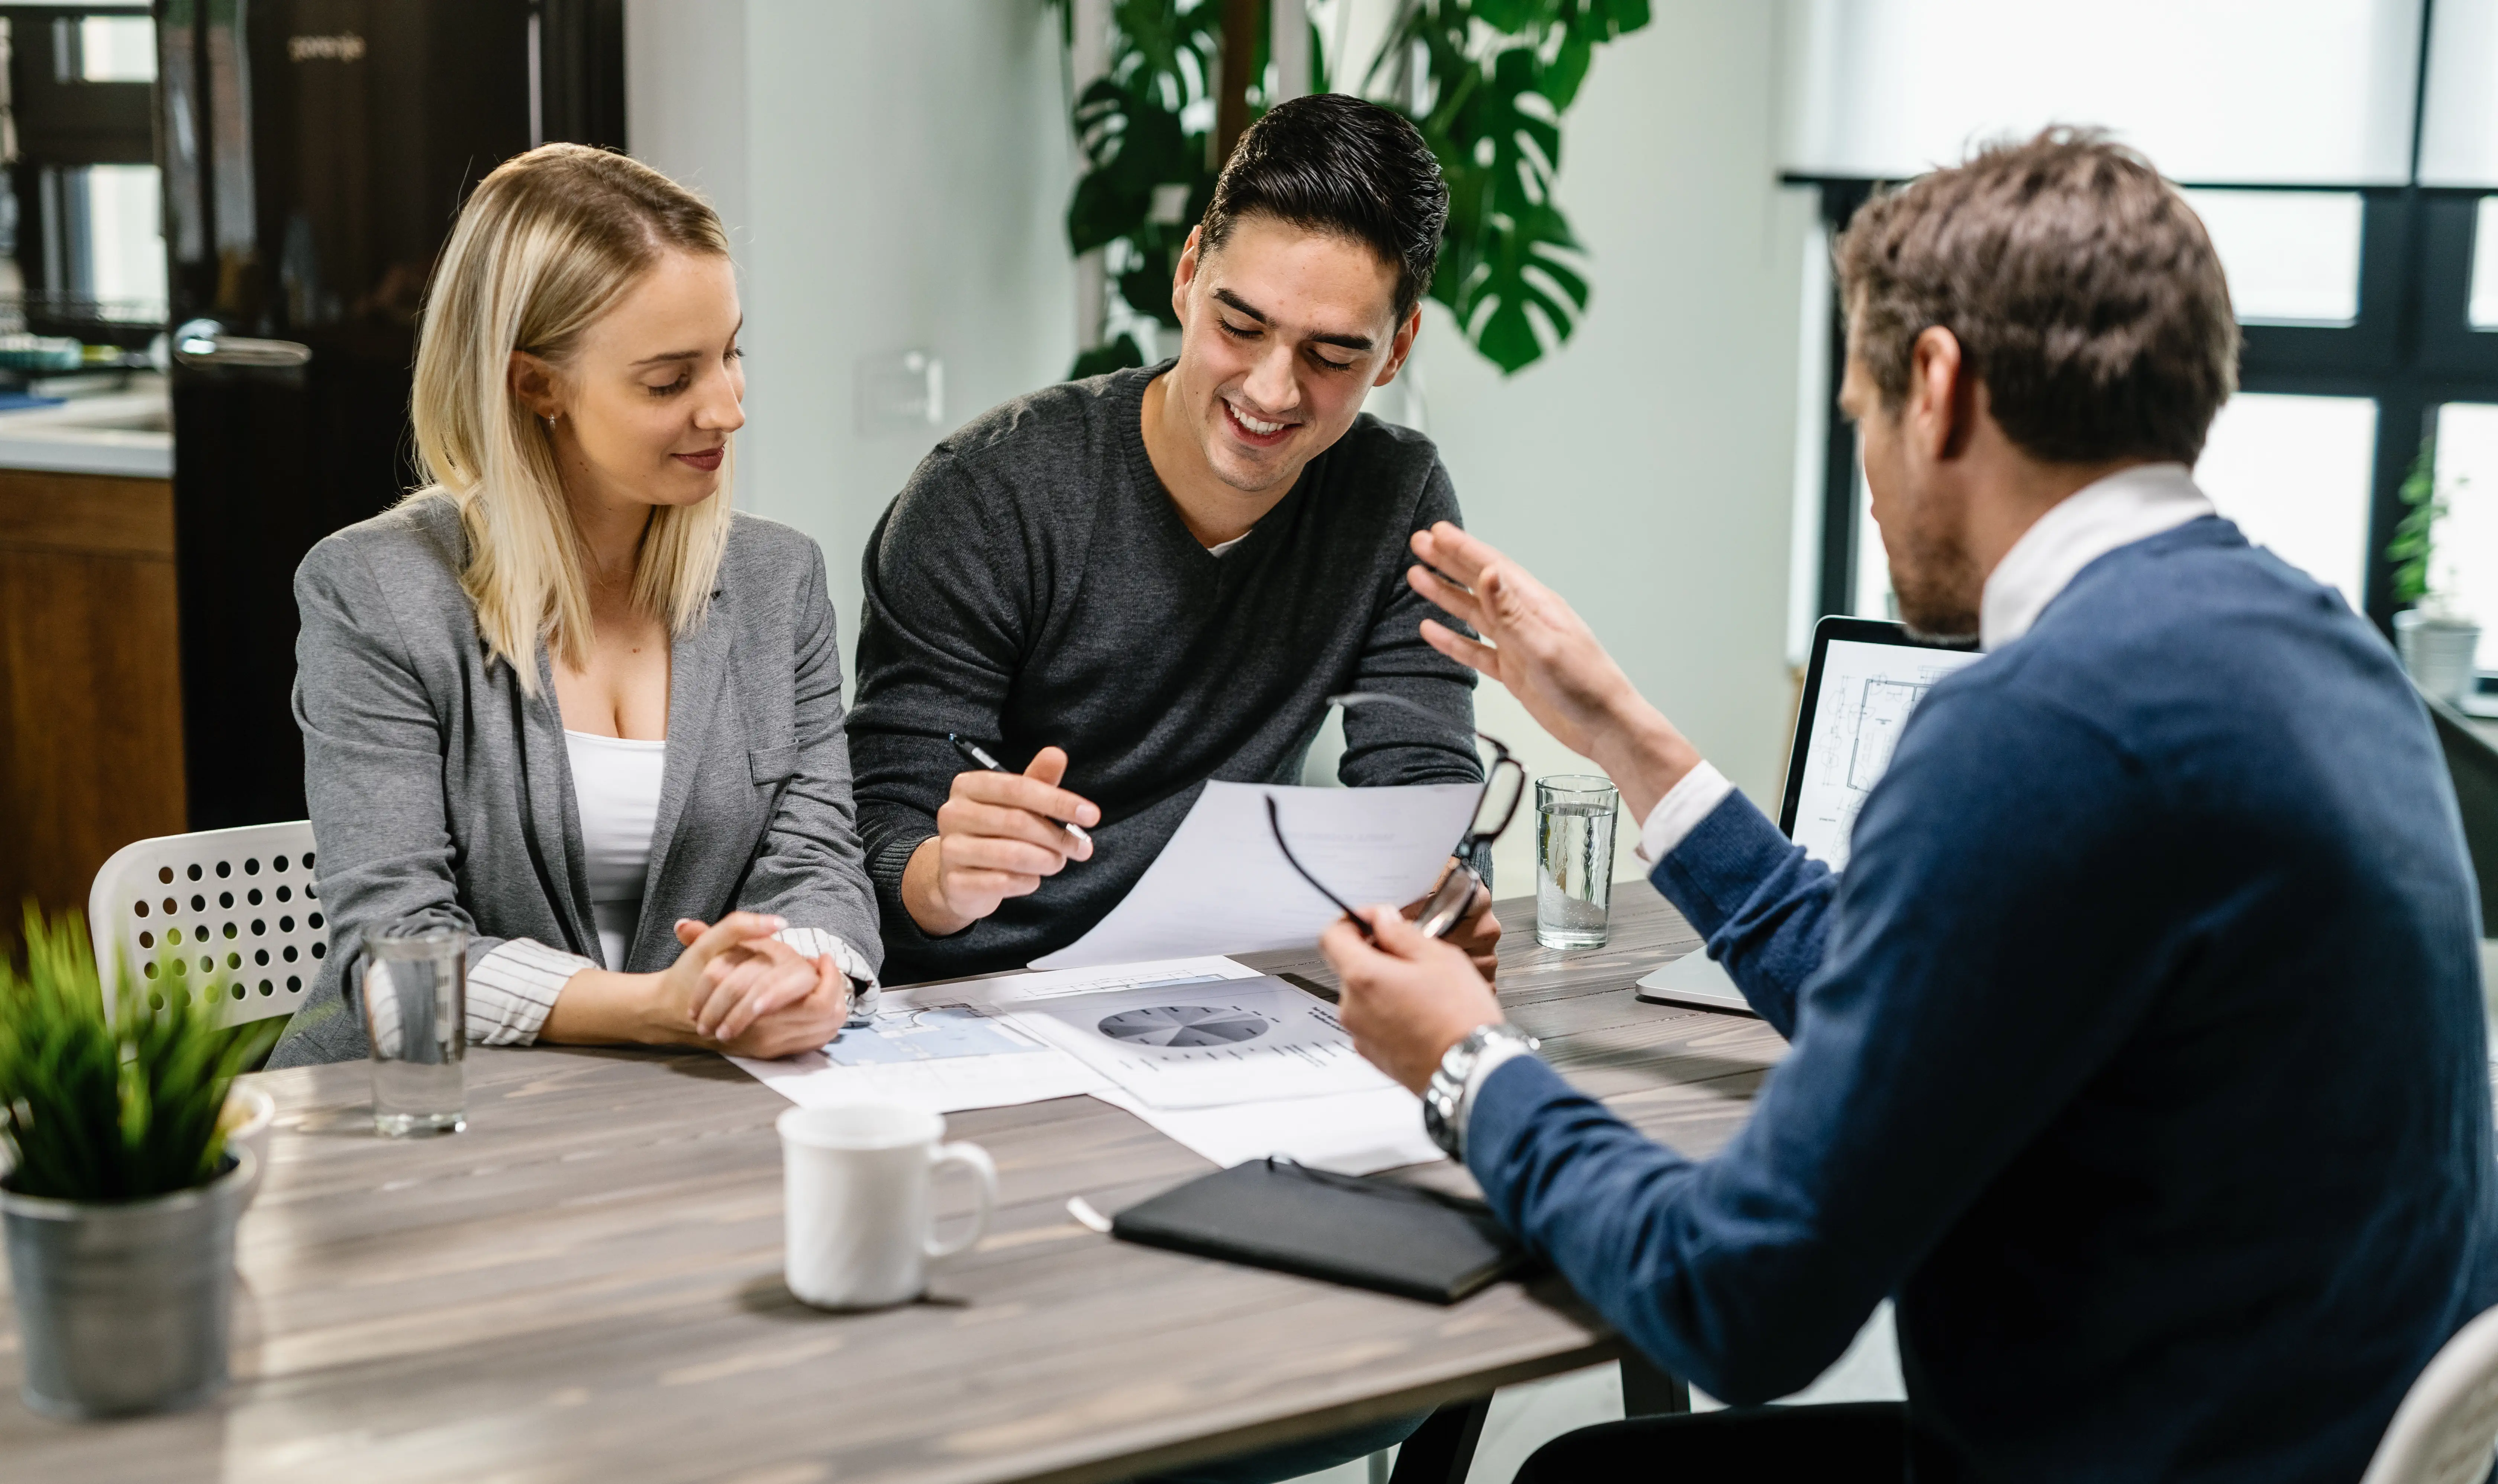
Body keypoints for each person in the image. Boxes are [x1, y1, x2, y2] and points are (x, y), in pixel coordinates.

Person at [1319, 130, 2498, 1481]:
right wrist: (1616, 725)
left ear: (1934, 386)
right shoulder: (2318, 645)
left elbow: (1740, 1301)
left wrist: (1470, 1062)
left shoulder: (2035, 726)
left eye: (1860, 417)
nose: (1870, 474)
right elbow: (1926, 990)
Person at [846, 93, 1497, 987]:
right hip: (982, 996)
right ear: (1189, 275)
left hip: (1226, 989)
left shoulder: (1395, 498)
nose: (1272, 391)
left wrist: (1441, 897)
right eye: (1241, 326)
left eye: (1332, 356)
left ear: (1395, 350)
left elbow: (1422, 785)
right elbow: (882, 819)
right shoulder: (989, 496)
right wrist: (937, 877)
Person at [267, 145, 879, 1070]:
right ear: (535, 385)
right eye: (670, 381)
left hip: (683, 1107)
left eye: (731, 354)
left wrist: (801, 977)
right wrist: (661, 1009)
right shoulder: (374, 593)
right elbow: (392, 961)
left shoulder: (776, 579)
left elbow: (822, 865)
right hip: (421, 1117)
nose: (728, 409)